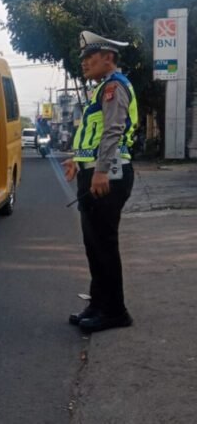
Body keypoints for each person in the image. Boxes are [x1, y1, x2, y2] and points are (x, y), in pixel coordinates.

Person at [62, 30, 138, 333]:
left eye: (89, 56)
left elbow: (113, 131)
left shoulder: (114, 87)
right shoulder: (101, 89)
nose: (84, 63)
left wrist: (101, 170)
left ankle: (116, 312)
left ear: (108, 58)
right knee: (94, 246)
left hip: (109, 177)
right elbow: (93, 135)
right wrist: (77, 159)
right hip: (95, 173)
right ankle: (98, 304)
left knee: (104, 245)